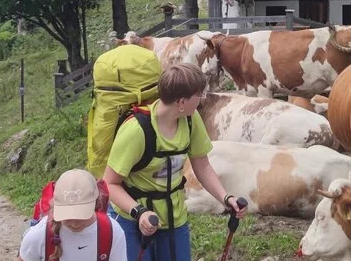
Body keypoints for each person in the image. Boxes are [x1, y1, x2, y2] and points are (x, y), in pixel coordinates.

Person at [103, 63, 246, 261]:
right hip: (132, 219)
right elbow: (109, 183)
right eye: (198, 95)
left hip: (173, 216)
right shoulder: (136, 130)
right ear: (181, 101)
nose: (202, 100)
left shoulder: (190, 119)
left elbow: (202, 165)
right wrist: (139, 212)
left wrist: (225, 198)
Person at [18, 169, 126, 261]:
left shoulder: (111, 231)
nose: (74, 224)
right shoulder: (38, 235)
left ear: (96, 203)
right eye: (67, 216)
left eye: (81, 215)